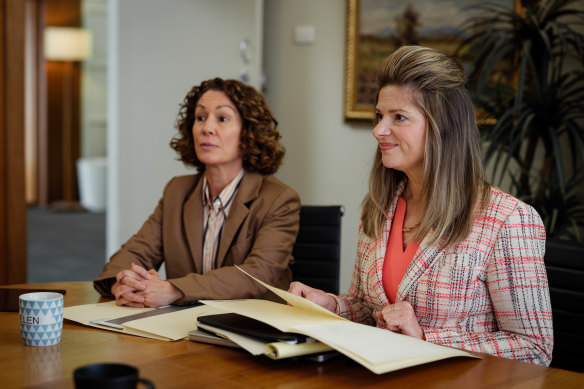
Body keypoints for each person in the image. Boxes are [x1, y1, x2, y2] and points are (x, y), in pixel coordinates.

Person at [289, 46, 553, 365]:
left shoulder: (508, 220)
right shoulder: (378, 207)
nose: (378, 130)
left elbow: (534, 348)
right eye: (379, 116)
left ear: (443, 127)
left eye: (398, 117)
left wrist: (427, 339)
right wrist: (330, 305)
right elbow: (367, 308)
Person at [95, 78, 301, 308]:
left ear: (248, 132)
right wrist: (122, 283)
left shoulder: (280, 200)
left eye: (222, 118)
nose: (206, 128)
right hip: (183, 330)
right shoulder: (177, 191)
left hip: (252, 332)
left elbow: (256, 276)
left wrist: (173, 289)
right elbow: (134, 253)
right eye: (200, 117)